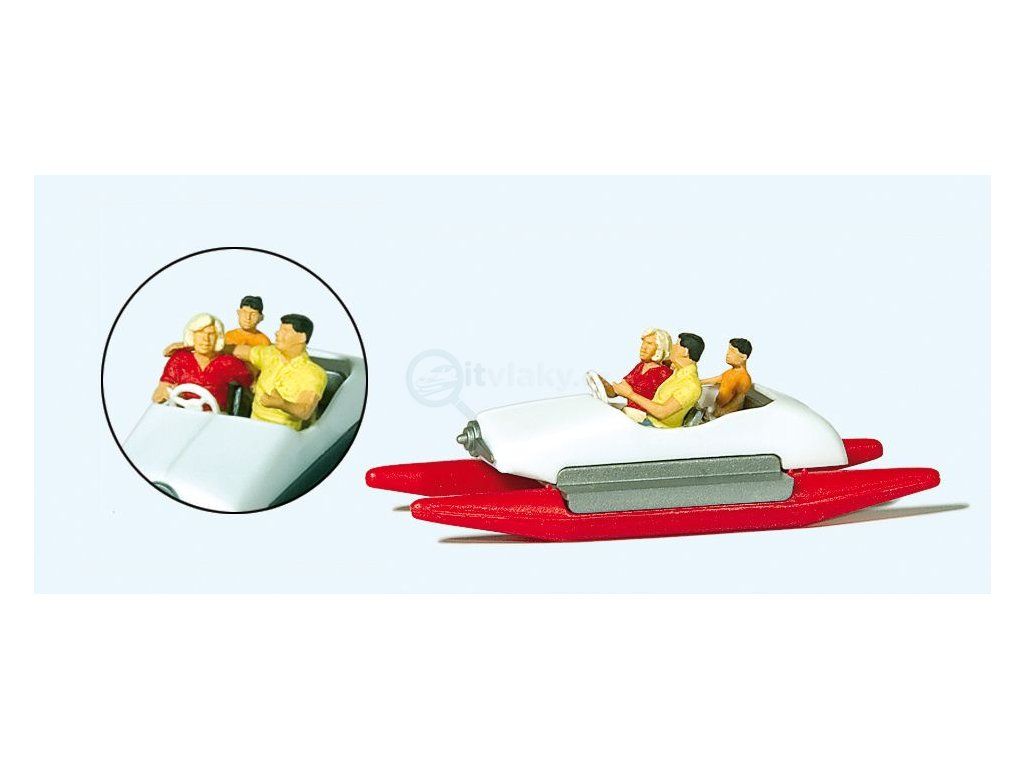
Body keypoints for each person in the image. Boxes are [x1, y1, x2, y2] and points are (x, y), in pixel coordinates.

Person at [232, 314, 328, 430]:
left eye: (285, 331)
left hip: (283, 433)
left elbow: (305, 411)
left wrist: (282, 404)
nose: (277, 333)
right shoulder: (271, 354)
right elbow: (241, 352)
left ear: (301, 337)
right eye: (280, 329)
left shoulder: (313, 373)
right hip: (253, 426)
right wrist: (217, 345)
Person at [152, 313, 253, 410]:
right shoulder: (179, 359)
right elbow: (162, 388)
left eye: (211, 334)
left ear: (218, 337)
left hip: (217, 417)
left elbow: (251, 386)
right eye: (200, 333)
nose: (206, 339)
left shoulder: (229, 363)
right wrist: (163, 395)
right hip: (182, 414)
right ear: (192, 335)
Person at [613, 332, 704, 428]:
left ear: (685, 352)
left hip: (656, 427)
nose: (672, 346)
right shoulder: (680, 371)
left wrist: (630, 394)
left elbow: (661, 412)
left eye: (677, 344)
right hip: (648, 418)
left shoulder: (690, 385)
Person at [596, 328, 673, 422]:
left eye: (649, 344)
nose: (643, 347)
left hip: (644, 419)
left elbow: (662, 408)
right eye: (643, 343)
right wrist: (603, 384)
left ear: (660, 348)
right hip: (630, 414)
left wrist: (629, 394)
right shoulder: (640, 366)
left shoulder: (664, 373)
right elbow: (617, 392)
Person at [162, 295, 270, 357]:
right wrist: (189, 345)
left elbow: (250, 355)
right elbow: (213, 352)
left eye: (253, 314)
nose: (248, 318)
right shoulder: (229, 335)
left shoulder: (264, 341)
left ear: (261, 317)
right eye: (244, 312)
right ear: (238, 313)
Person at [701, 338, 753, 417]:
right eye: (728, 350)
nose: (727, 354)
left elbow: (738, 401)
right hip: (717, 408)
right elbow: (714, 380)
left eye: (732, 351)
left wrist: (722, 413)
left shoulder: (745, 378)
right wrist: (697, 382)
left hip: (727, 414)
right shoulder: (729, 372)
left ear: (743, 357)